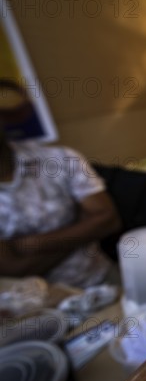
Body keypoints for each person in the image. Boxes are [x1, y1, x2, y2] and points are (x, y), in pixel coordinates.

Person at [0, 123, 121, 288]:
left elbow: (108, 220)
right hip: (34, 307)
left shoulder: (61, 158)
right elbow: (15, 269)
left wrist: (29, 244)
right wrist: (81, 227)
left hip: (100, 280)